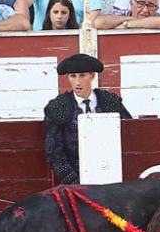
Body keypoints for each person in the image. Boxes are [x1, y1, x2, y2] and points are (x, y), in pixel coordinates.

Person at [44, 53, 130, 185]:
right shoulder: (57, 107)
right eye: (73, 76)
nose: (77, 82)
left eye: (82, 75)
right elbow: (54, 153)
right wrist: (74, 182)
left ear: (92, 76)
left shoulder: (110, 102)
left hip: (112, 175)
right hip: (75, 178)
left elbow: (128, 135)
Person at [94, 0, 160, 30]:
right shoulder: (121, 14)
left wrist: (126, 24)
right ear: (131, 4)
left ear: (156, 8)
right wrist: (131, 19)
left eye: (151, 5)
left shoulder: (157, 16)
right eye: (141, 4)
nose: (145, 10)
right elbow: (98, 22)